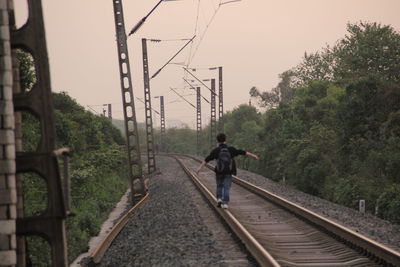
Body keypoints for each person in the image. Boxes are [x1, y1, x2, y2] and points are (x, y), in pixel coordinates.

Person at [196, 133, 259, 209]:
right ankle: (225, 203)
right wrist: (254, 156)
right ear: (225, 140)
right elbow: (242, 152)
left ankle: (219, 199)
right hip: (228, 173)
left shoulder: (216, 150)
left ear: (218, 141)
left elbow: (207, 159)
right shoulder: (231, 149)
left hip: (219, 172)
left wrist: (199, 168)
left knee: (219, 185)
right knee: (226, 187)